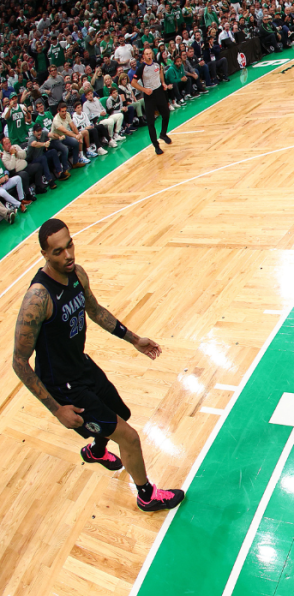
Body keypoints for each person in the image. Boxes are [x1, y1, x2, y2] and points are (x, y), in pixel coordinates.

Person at [11, 219, 184, 512]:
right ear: (44, 254)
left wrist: (134, 339)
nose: (68, 255)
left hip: (82, 366)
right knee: (128, 437)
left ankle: (95, 450)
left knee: (120, 414)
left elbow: (94, 310)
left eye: (69, 245)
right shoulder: (37, 299)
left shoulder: (76, 274)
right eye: (57, 252)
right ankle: (146, 495)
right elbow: (19, 362)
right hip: (63, 387)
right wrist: (57, 410)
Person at [132, 48, 173, 155]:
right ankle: (156, 145)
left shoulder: (157, 64)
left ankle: (163, 134)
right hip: (149, 95)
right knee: (151, 122)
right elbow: (133, 82)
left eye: (150, 53)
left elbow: (160, 72)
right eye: (146, 54)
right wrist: (144, 90)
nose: (149, 55)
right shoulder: (141, 68)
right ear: (143, 56)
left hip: (159, 91)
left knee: (166, 114)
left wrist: (163, 83)